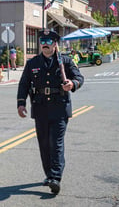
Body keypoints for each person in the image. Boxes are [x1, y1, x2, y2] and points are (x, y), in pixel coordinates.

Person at [17, 29, 84, 195]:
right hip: (40, 108)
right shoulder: (33, 63)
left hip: (59, 107)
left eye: (48, 41)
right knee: (44, 144)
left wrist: (72, 83)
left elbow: (79, 77)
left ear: (55, 44)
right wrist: (21, 103)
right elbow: (24, 84)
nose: (45, 44)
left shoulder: (66, 61)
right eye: (42, 41)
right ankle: (49, 174)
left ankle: (55, 176)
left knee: (56, 142)